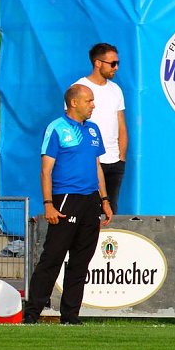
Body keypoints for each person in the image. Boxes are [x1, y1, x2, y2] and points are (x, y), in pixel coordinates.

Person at [23, 85, 113, 325]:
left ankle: (70, 315)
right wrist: (48, 204)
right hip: (65, 199)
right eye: (89, 101)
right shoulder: (57, 128)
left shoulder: (93, 129)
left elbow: (97, 167)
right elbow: (46, 170)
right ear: (74, 103)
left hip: (90, 201)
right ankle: (32, 313)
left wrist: (104, 200)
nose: (93, 105)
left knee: (81, 261)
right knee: (52, 257)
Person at [73, 43, 127, 214]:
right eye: (112, 63)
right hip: (90, 161)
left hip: (115, 162)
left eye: (117, 63)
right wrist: (85, 157)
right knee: (89, 210)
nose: (116, 68)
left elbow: (121, 124)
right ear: (97, 63)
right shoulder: (78, 89)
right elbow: (73, 125)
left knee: (111, 210)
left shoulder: (116, 90)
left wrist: (121, 157)